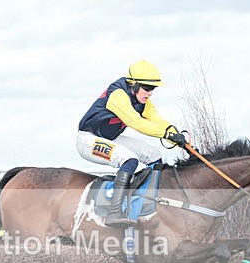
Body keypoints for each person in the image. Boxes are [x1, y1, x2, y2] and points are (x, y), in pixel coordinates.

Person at [77, 60, 187, 227]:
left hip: (110, 138)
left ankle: (148, 203)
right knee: (129, 160)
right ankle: (114, 213)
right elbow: (137, 123)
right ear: (133, 85)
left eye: (153, 89)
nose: (150, 93)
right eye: (148, 88)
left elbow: (157, 120)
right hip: (88, 139)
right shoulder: (118, 95)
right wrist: (167, 135)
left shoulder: (143, 101)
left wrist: (176, 135)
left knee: (154, 155)